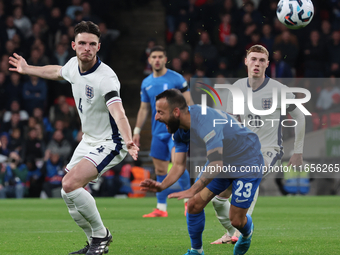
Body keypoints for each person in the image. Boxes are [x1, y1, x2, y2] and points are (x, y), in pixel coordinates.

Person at [9, 21, 139, 255]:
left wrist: (129, 139)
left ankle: (102, 235)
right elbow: (56, 71)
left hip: (112, 142)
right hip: (89, 140)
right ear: (74, 45)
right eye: (82, 43)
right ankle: (93, 242)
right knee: (66, 192)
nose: (86, 48)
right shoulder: (72, 66)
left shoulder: (106, 78)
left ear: (98, 46)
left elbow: (118, 112)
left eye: (91, 44)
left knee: (69, 184)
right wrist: (28, 69)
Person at [141, 89, 264, 255]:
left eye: (160, 112)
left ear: (176, 112)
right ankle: (196, 251)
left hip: (247, 160)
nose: (156, 117)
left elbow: (216, 163)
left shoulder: (205, 120)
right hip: (223, 161)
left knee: (236, 220)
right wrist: (162, 185)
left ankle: (247, 233)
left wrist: (193, 189)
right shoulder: (178, 130)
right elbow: (178, 165)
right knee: (193, 205)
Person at [210, 45, 306, 245]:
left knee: (248, 176)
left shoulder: (279, 90)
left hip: (268, 150)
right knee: (218, 197)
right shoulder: (236, 87)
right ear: (246, 61)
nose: (257, 64)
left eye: (262, 60)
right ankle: (233, 231)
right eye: (253, 59)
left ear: (268, 64)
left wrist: (298, 151)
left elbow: (300, 117)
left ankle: (240, 230)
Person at [133, 45, 191, 218]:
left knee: (178, 165)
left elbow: (189, 104)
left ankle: (189, 203)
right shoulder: (147, 83)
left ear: (165, 59)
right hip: (157, 132)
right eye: (154, 57)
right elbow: (144, 109)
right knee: (160, 170)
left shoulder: (177, 79)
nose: (157, 60)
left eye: (160, 57)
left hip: (176, 131)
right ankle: (161, 208)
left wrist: (189, 126)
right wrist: (136, 130)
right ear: (149, 60)